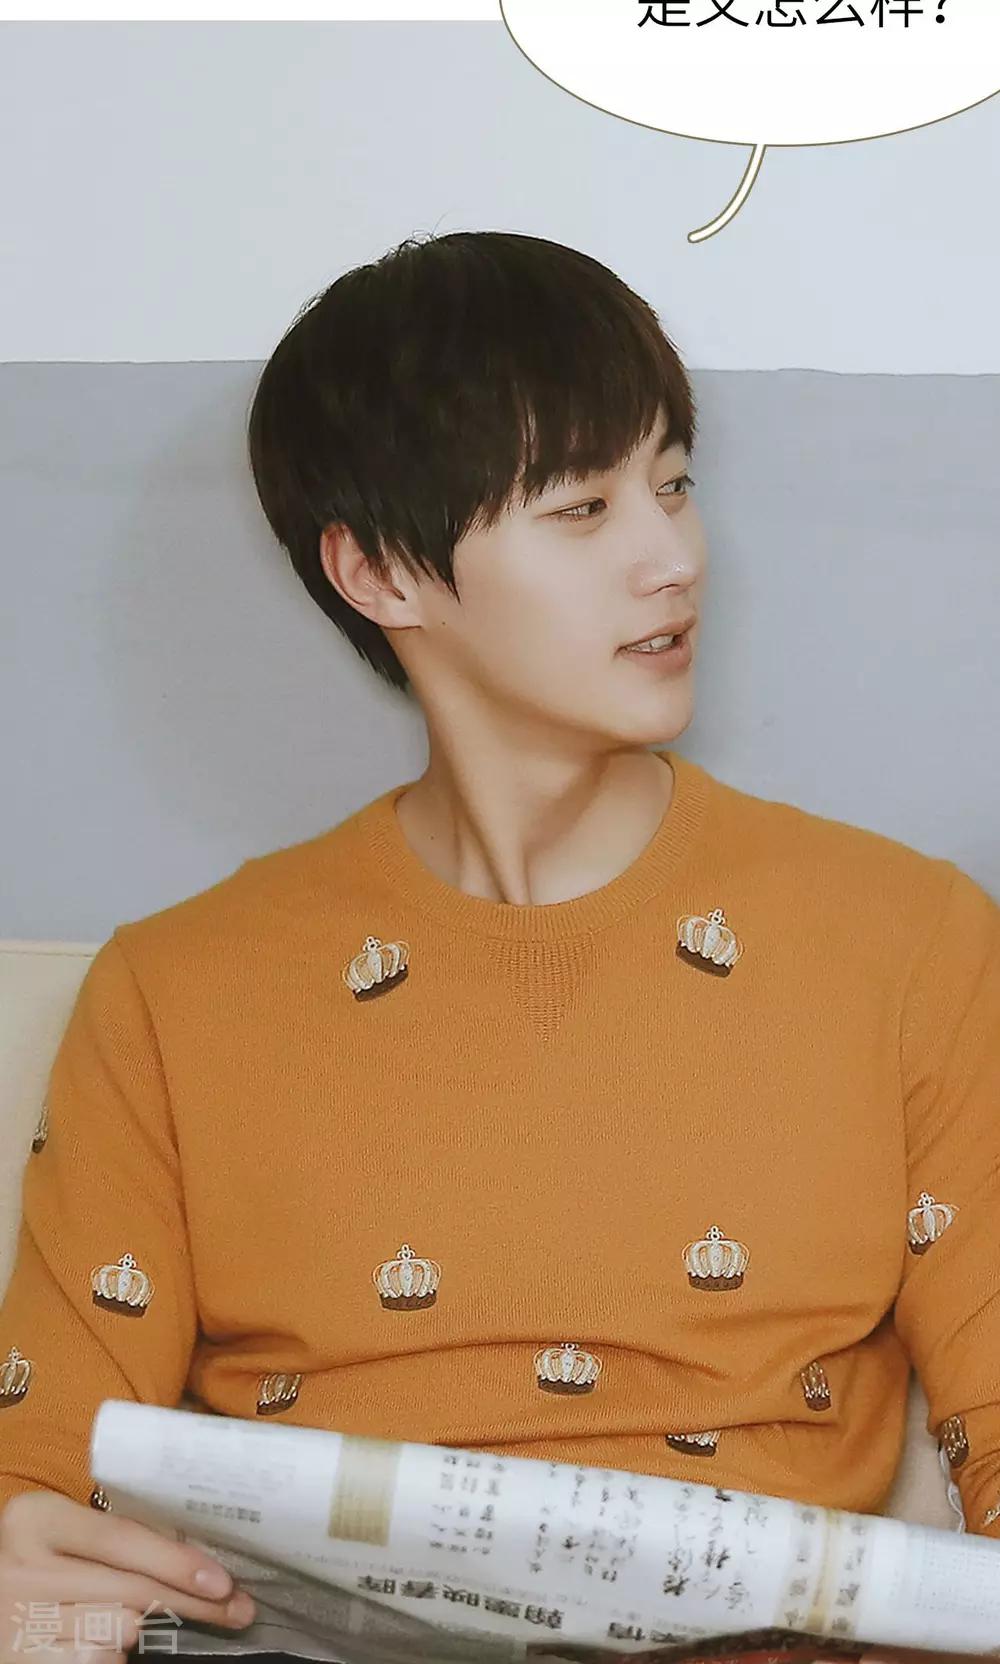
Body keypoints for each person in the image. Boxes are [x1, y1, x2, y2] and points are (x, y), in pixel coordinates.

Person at [0, 231, 996, 1664]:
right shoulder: (176, 993)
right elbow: (45, 1481)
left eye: (674, 484)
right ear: (381, 573)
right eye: (583, 508)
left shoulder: (908, 940)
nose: (674, 558)